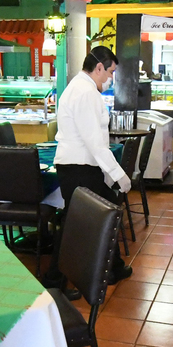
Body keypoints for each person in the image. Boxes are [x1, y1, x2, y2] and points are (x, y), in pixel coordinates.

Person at [51, 46, 133, 285]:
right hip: (78, 168)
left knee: (100, 213)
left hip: (80, 167)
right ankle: (55, 277)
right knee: (81, 220)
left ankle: (111, 268)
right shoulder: (85, 92)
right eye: (110, 72)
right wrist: (118, 175)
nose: (111, 78)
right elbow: (94, 142)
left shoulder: (82, 88)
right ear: (99, 68)